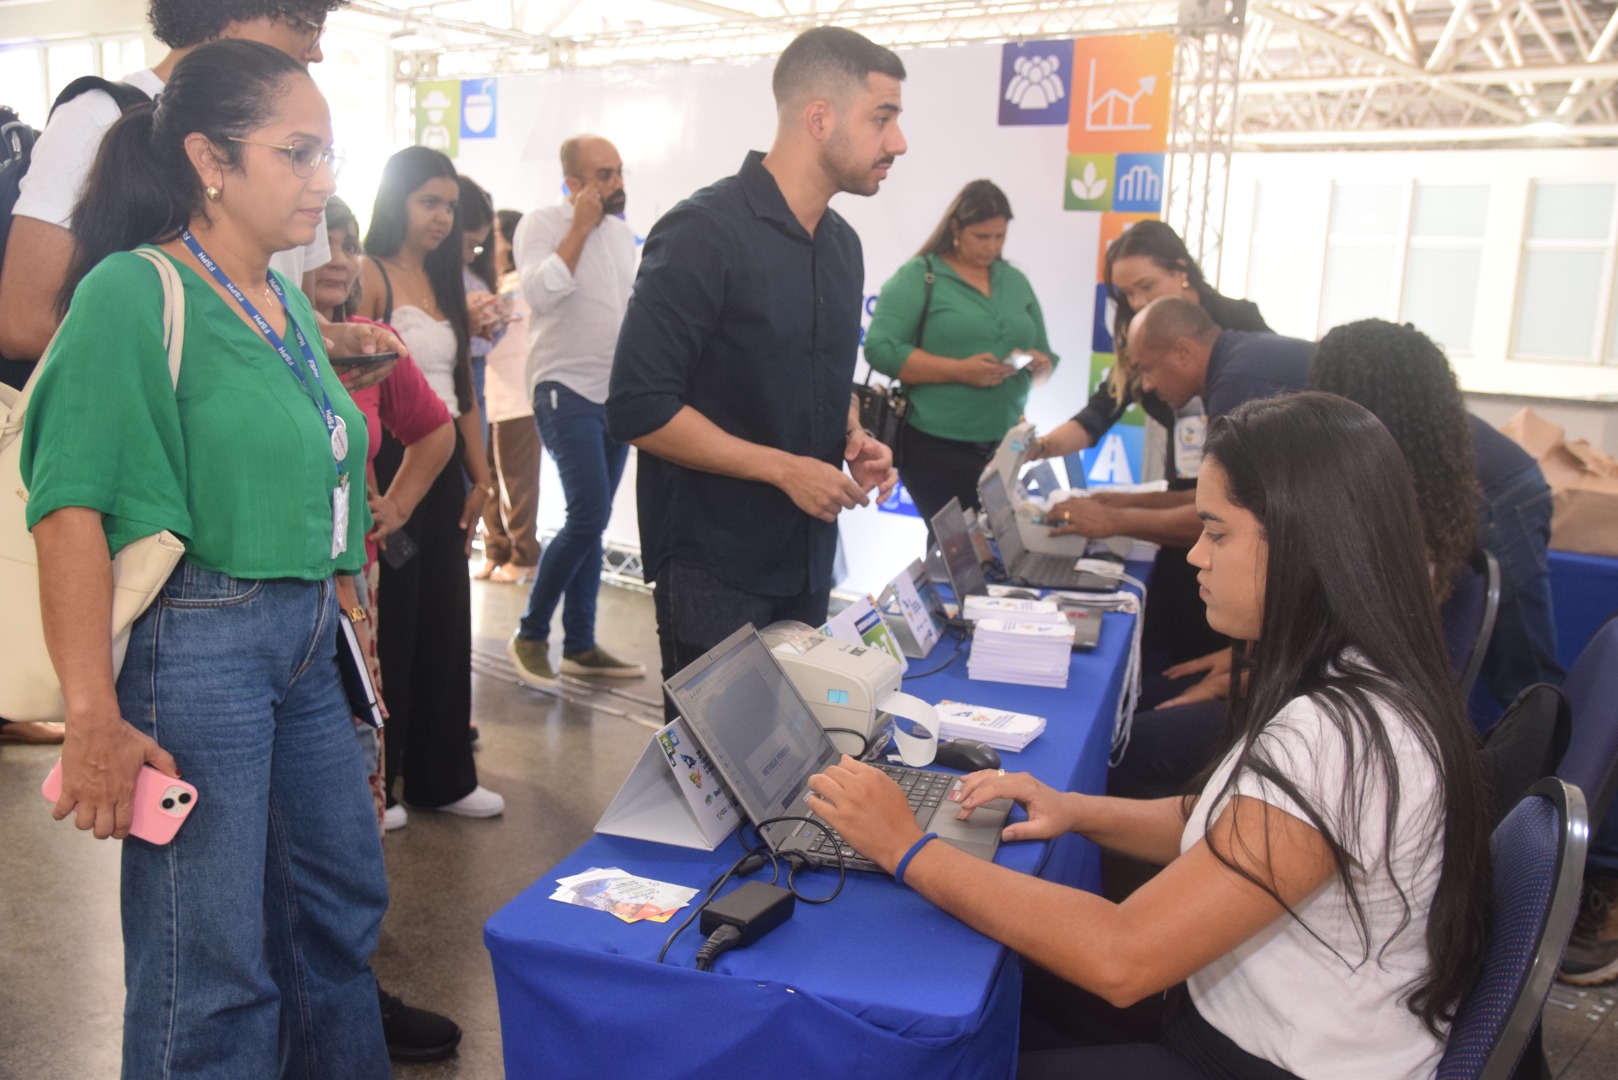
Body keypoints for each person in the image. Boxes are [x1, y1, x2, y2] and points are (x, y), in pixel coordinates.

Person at [808, 392, 1492, 1080]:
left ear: (1306, 545)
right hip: (1230, 1022)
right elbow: (1226, 826)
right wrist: (1076, 809)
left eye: (1218, 534)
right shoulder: (1356, 678)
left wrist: (906, 847)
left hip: (1259, 1062)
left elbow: (1122, 957)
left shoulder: (1336, 741)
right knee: (1000, 992)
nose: (1195, 555)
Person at [22, 41, 389, 1076]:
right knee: (213, 960)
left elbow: (326, 461)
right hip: (200, 648)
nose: (325, 178)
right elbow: (70, 510)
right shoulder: (133, 294)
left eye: (331, 153)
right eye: (300, 152)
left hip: (305, 645)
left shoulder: (275, 305)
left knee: (337, 914)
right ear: (208, 160)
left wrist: (347, 594)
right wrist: (92, 716)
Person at [606, 27, 901, 698]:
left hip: (805, 558)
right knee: (717, 787)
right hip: (716, 560)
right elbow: (637, 405)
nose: (898, 142)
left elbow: (802, 368)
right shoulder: (703, 232)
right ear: (819, 118)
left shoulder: (842, 245)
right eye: (881, 118)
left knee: (795, 772)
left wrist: (849, 433)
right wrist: (785, 469)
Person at [0, 0, 398, 389]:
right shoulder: (99, 115)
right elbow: (23, 321)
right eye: (303, 23)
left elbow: (275, 303)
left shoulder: (298, 156)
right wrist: (217, 362)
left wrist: (325, 338)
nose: (317, 50)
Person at [300, 194, 464, 1062]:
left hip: (349, 594)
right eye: (321, 235)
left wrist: (389, 510)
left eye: (349, 238)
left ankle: (347, 978)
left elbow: (434, 435)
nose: (335, 252)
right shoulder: (252, 330)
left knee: (355, 782)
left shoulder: (367, 342)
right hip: (254, 601)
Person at [1033, 221, 1270, 684]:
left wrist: (1118, 516)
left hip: (1229, 514)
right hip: (1189, 496)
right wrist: (1039, 448)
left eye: (1146, 287)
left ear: (1181, 270)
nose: (1137, 303)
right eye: (1127, 295)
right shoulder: (1137, 334)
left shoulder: (1238, 343)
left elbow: (1249, 494)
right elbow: (1096, 415)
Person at [357, 146, 503, 824]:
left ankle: (443, 777)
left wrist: (482, 477)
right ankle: (383, 778)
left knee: (447, 621)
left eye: (449, 204)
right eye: (429, 202)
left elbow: (463, 390)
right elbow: (354, 381)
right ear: (397, 202)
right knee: (393, 625)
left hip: (445, 469)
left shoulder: (448, 280)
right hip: (389, 466)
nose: (442, 217)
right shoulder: (370, 275)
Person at [506, 134, 645, 687]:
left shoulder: (620, 235)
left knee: (594, 522)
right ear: (574, 184)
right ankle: (532, 633)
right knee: (587, 514)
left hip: (616, 395)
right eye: (603, 175)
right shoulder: (542, 223)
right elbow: (540, 294)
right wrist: (579, 227)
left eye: (618, 172)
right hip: (563, 388)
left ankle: (582, 643)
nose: (616, 184)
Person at [862, 179, 1055, 535]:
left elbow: (1047, 360)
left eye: (1000, 236)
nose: (992, 246)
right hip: (936, 446)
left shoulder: (1014, 280)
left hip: (1006, 447)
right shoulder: (921, 275)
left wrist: (1038, 365)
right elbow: (880, 348)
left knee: (1003, 551)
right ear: (956, 228)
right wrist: (960, 372)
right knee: (962, 555)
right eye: (982, 237)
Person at [476, 208, 543, 584]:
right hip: (486, 396)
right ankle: (495, 551)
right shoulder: (487, 283)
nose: (491, 240)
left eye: (499, 232)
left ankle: (524, 555)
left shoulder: (525, 283)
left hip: (519, 396)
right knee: (486, 480)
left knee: (518, 482)